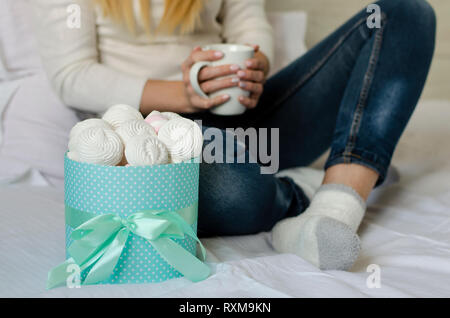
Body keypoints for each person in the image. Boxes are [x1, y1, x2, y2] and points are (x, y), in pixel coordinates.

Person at [33, 0, 436, 270]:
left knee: (402, 13)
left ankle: (333, 209)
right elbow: (73, 75)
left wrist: (253, 66)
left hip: (244, 115)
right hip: (159, 139)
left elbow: (251, 29)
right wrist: (186, 92)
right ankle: (298, 190)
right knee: (228, 185)